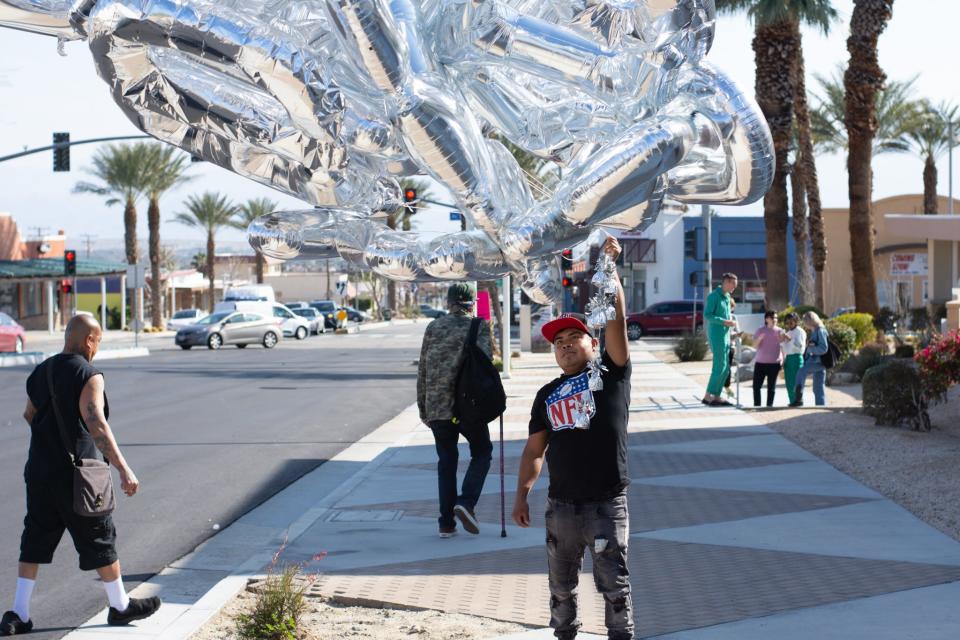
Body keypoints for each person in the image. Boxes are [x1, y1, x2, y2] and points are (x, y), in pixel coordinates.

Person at [2, 315, 160, 636]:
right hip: (79, 476)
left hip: (40, 472)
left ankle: (18, 612)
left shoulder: (42, 371)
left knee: (35, 536)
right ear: (89, 340)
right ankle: (119, 606)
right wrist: (123, 468)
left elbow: (29, 414)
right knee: (99, 536)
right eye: (98, 342)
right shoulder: (89, 374)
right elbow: (96, 423)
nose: (97, 349)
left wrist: (51, 443)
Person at [512, 237, 633, 640]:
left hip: (604, 506)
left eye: (573, 339)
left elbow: (615, 320)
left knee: (614, 590)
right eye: (558, 344)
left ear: (592, 344)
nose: (565, 347)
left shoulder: (611, 374)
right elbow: (534, 448)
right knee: (560, 591)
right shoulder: (546, 394)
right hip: (560, 508)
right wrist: (521, 494)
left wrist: (609, 270)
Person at [417, 284, 494, 538]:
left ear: (448, 302)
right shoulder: (478, 326)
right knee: (482, 452)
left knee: (447, 463)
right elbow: (487, 364)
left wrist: (423, 408)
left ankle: (446, 523)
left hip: (438, 408)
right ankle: (466, 502)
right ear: (471, 303)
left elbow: (423, 371)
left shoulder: (433, 327)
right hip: (468, 407)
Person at [702, 273, 738, 406]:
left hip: (726, 336)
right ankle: (707, 396)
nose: (735, 287)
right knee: (719, 366)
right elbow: (708, 315)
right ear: (726, 282)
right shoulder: (713, 296)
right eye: (733, 284)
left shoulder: (727, 297)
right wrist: (725, 322)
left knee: (726, 368)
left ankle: (716, 396)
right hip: (717, 336)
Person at [792, 311, 829, 407]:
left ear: (810, 321)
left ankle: (798, 396)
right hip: (818, 361)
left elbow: (823, 348)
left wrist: (810, 349)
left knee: (802, 370)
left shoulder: (820, 330)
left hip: (819, 362)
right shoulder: (816, 330)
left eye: (805, 322)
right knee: (818, 388)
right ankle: (821, 407)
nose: (805, 324)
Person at [752, 311, 783, 407]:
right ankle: (757, 406)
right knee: (756, 387)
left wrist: (783, 361)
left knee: (771, 388)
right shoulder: (760, 330)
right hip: (760, 363)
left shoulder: (780, 331)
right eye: (773, 317)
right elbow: (754, 346)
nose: (775, 320)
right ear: (766, 319)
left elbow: (783, 346)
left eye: (776, 318)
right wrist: (759, 339)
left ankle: (769, 406)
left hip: (774, 364)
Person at [780, 312, 806, 406]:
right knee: (789, 381)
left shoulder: (800, 331)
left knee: (797, 381)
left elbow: (800, 346)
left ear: (796, 321)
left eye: (791, 322)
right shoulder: (788, 332)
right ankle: (792, 401)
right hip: (789, 358)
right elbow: (784, 347)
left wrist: (789, 338)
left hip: (797, 357)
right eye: (787, 322)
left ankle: (798, 400)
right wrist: (782, 340)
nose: (789, 324)